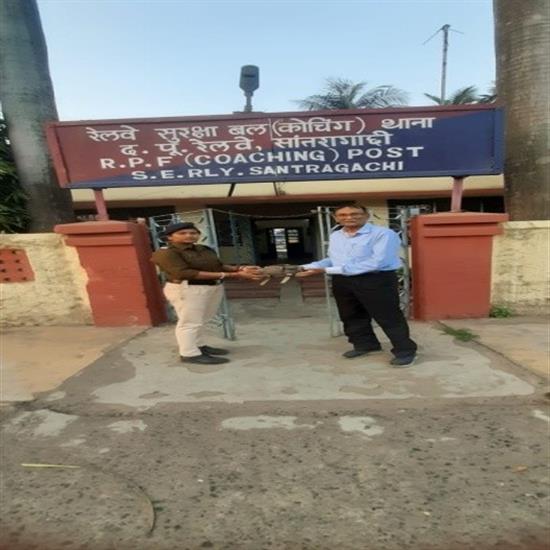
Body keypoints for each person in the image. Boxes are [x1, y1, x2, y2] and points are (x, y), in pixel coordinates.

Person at [296, 203, 417, 367]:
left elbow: (378, 262)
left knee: (388, 316)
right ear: (335, 218)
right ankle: (365, 345)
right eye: (343, 215)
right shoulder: (336, 235)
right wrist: (307, 267)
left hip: (376, 279)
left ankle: (405, 351)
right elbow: (333, 259)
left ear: (366, 215)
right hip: (342, 279)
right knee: (350, 315)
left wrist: (326, 270)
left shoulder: (383, 234)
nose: (349, 217)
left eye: (355, 214)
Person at [151, 222, 262, 365]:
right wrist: (232, 275)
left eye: (193, 233)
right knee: (190, 322)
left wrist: (239, 269)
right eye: (182, 233)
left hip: (211, 287)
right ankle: (189, 353)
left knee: (202, 320)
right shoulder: (165, 253)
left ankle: (199, 346)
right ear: (170, 237)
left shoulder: (203, 249)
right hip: (187, 288)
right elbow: (184, 273)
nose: (189, 235)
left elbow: (218, 266)